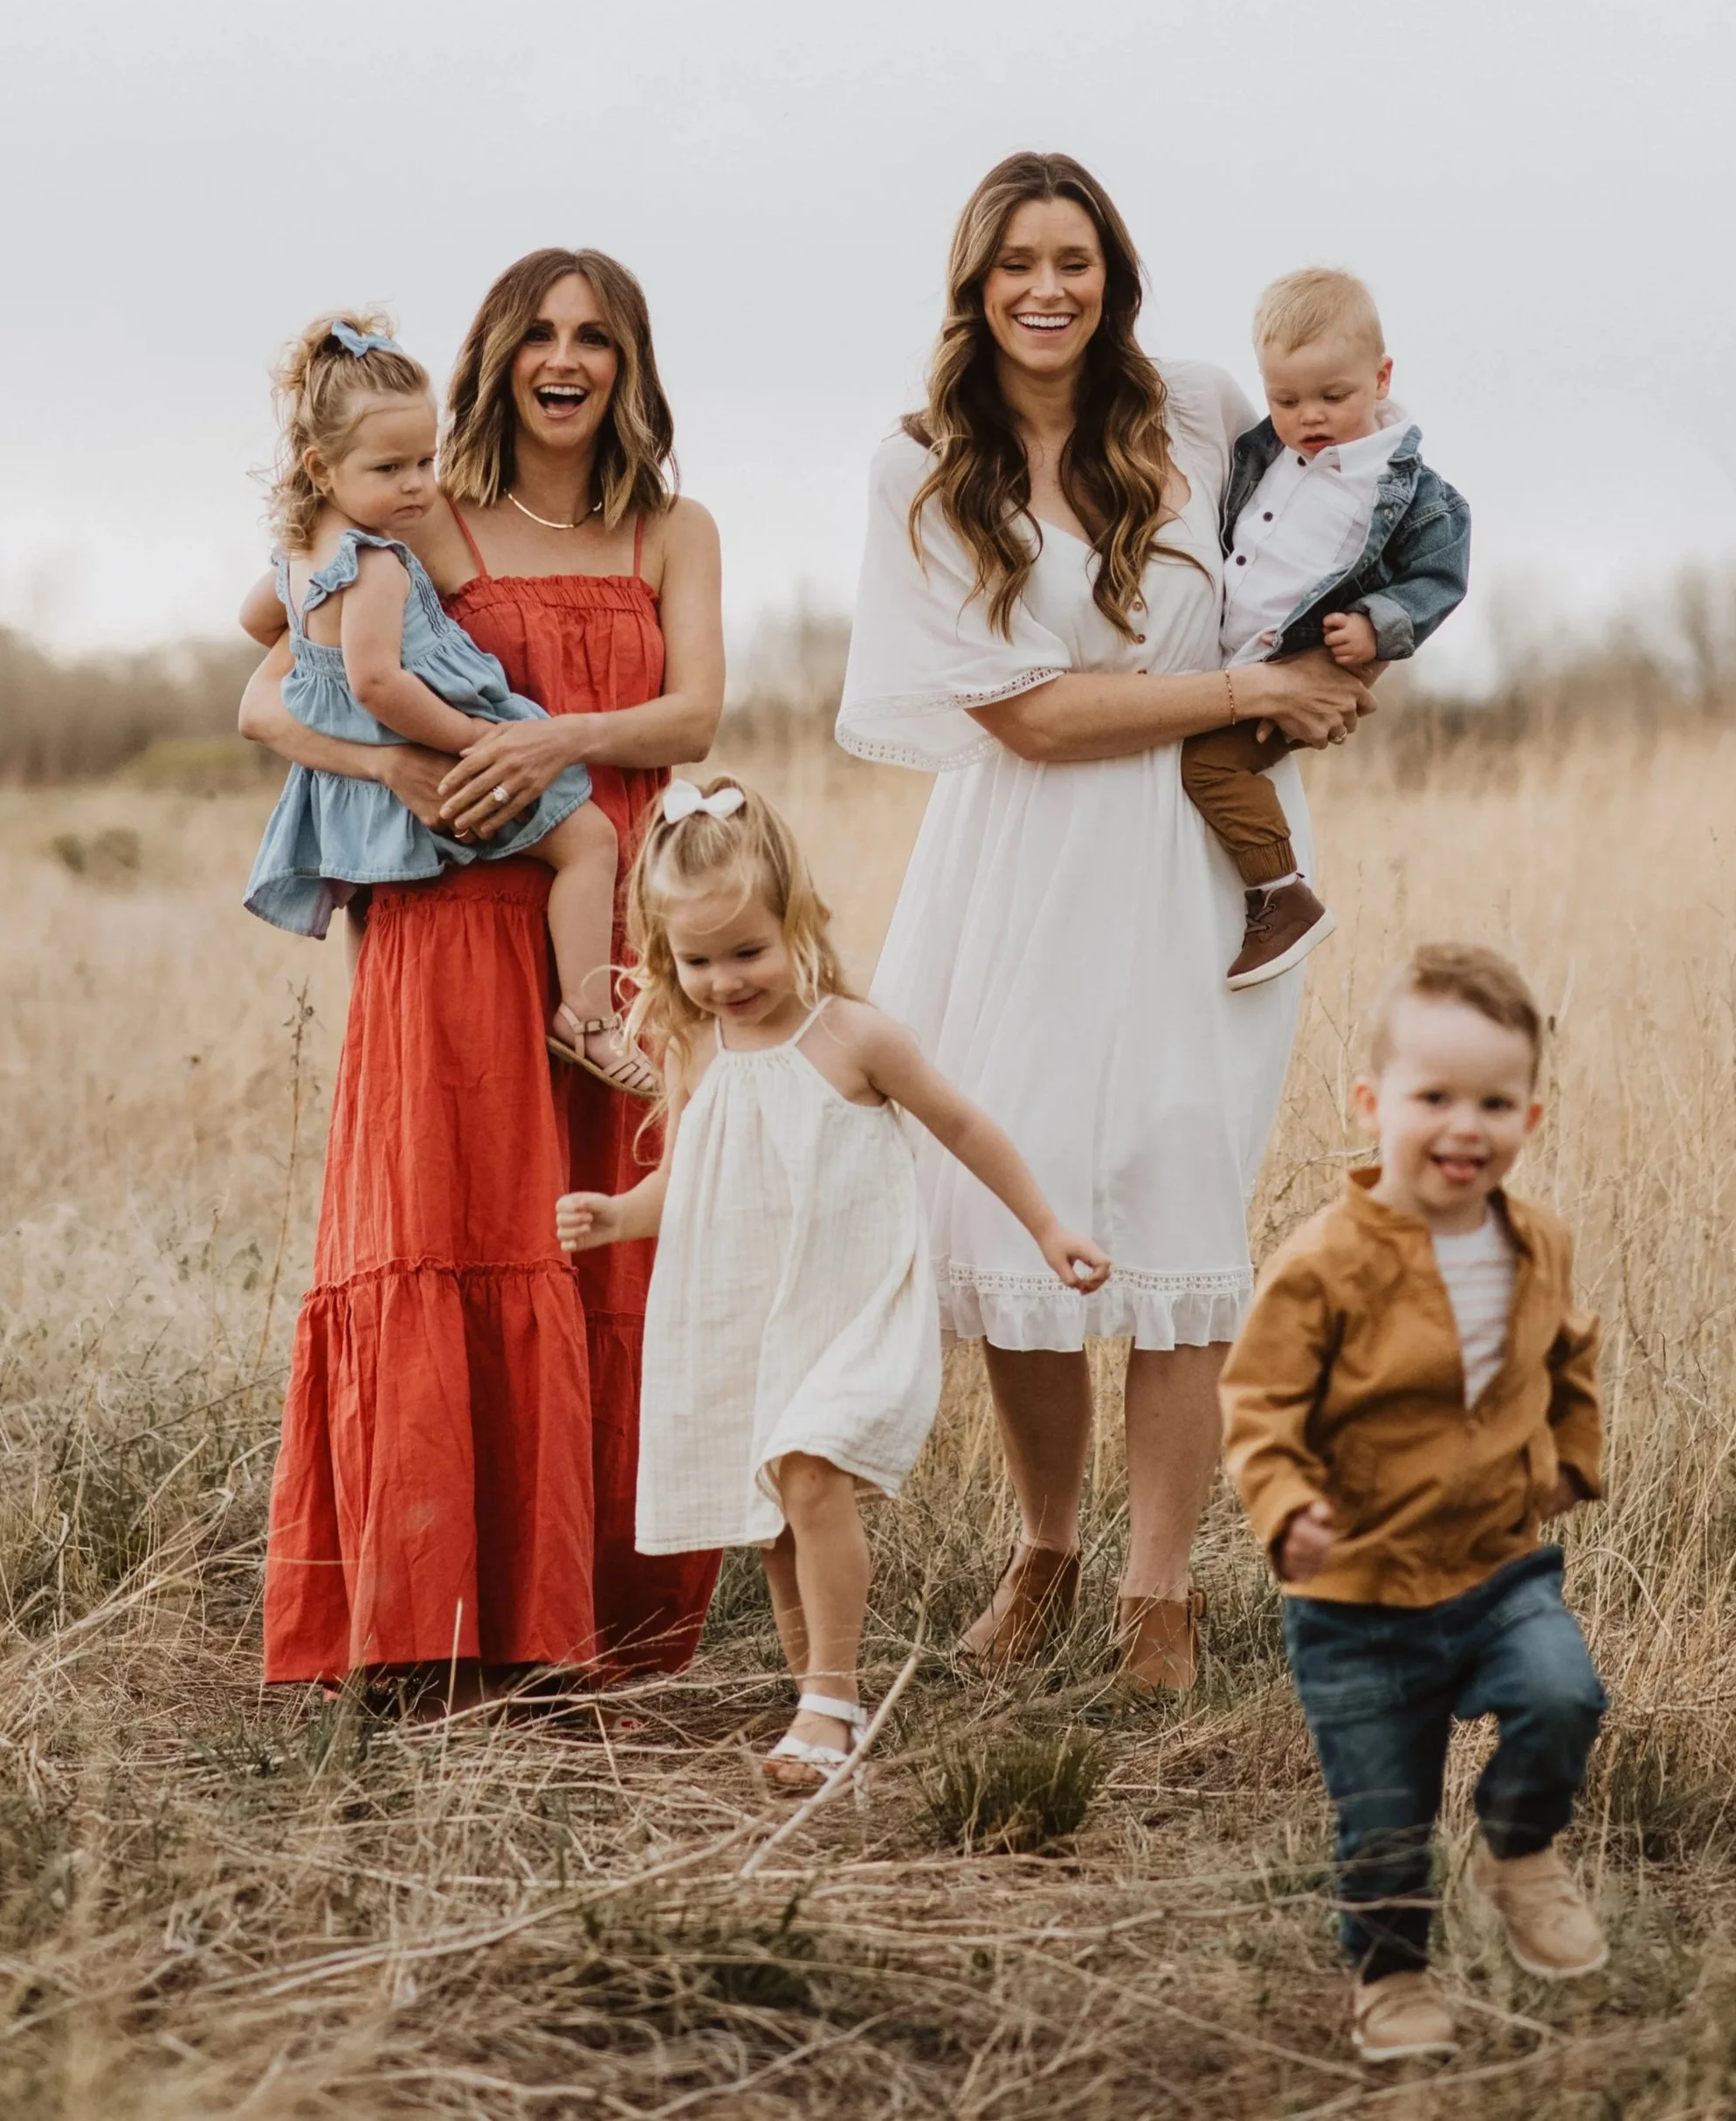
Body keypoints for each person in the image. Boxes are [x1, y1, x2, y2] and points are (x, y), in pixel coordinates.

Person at [836, 151, 1375, 1693]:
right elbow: (1022, 712)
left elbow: (1351, 501)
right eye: (1014, 263)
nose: (1045, 288)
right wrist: (1243, 689)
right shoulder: (923, 464)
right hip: (1024, 853)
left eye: (1071, 258)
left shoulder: (1198, 406)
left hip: (1199, 862)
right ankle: (1045, 1550)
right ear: (972, 285)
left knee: (1169, 1200)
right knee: (1022, 1205)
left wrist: (1355, 654)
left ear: (1112, 274)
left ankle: (1156, 1599)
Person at [242, 248, 724, 1704]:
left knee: (605, 1244)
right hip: (449, 916)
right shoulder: (419, 508)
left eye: (595, 337)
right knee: (452, 1227)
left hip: (616, 909)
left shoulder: (670, 527)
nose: (564, 360)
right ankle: (430, 1624)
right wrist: (382, 756)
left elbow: (695, 710)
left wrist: (552, 743)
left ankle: (590, 1631)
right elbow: (268, 677)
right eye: (538, 334)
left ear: (629, 363)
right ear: (498, 354)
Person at [556, 776, 1110, 1793]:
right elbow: (680, 1178)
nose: (726, 980)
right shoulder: (695, 1049)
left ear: (796, 918)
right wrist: (616, 1215)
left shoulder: (853, 1036)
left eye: (748, 951)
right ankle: (816, 1698)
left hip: (853, 1309)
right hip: (758, 1319)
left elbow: (964, 1126)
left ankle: (831, 1702)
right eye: (699, 960)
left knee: (808, 1472)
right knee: (777, 1516)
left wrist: (1045, 1225)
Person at [1222, 944, 1608, 2066]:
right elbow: (1257, 1398)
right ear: (1369, 1103)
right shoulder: (1324, 1263)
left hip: (1497, 1567)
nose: (1462, 1126)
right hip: (1355, 1597)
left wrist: (1569, 1458)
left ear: (1528, 1112)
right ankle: (1389, 1977)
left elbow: (1568, 1354)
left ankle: (1518, 1843)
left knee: (1562, 1693)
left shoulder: (1532, 1239)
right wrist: (1285, 1502)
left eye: (1492, 1101)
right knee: (1382, 1819)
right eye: (1432, 1097)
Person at [241, 312, 652, 1095]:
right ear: (320, 466)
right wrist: (477, 736)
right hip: (442, 754)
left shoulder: (299, 555)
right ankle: (589, 1016)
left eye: (424, 461)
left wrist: (308, 621)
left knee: (374, 921)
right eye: (390, 468)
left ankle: (379, 1058)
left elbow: (256, 621)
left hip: (353, 796)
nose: (418, 486)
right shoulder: (378, 564)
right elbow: (378, 684)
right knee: (590, 841)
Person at [1179, 268, 1471, 990]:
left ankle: (1281, 895)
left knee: (1206, 766)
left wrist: (1376, 628)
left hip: (1286, 675)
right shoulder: (1264, 453)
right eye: (1285, 398)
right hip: (1220, 661)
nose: (1308, 416)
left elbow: (1438, 577)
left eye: (1332, 396)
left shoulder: (1408, 494)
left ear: (1381, 376)